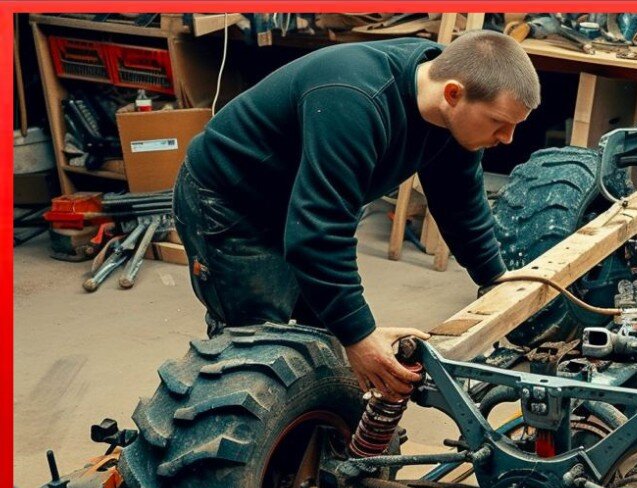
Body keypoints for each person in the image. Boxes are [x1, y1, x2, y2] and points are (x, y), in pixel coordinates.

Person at [173, 31, 539, 398]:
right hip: (232, 201)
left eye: (515, 126)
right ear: (453, 94)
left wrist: (494, 276)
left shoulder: (453, 94)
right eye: (498, 122)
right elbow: (318, 236)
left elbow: (459, 197)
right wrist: (361, 337)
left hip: (300, 201)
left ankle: (314, 428)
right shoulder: (355, 99)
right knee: (259, 351)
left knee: (323, 332)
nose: (507, 138)